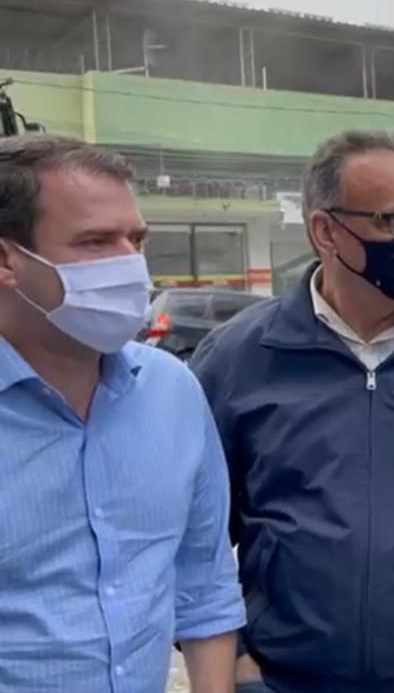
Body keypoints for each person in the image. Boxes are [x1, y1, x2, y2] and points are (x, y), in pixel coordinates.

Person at [189, 130, 394, 693]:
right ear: (325, 231)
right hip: (282, 680)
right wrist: (238, 667)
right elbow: (193, 535)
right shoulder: (239, 358)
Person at [0, 135, 243, 692]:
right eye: (94, 241)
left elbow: (204, 581)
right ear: (7, 259)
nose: (131, 265)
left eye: (136, 239)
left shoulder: (172, 392)